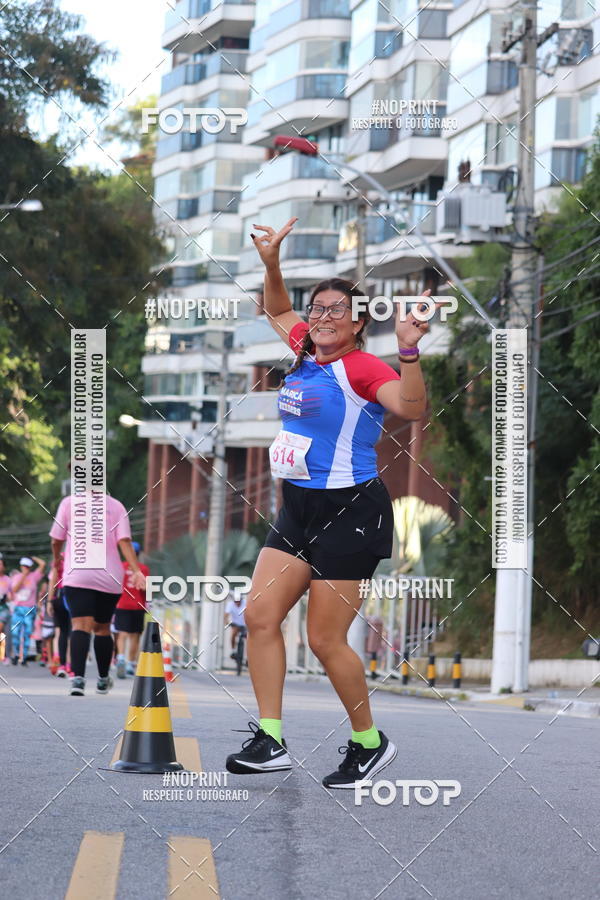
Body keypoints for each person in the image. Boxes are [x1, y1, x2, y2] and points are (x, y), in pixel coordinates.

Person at [225, 217, 435, 788]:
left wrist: (409, 351)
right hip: (298, 508)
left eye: (334, 311)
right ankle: (270, 738)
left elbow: (410, 408)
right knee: (259, 616)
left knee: (323, 638)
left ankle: (369, 742)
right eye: (315, 309)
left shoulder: (364, 367)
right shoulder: (304, 352)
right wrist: (272, 263)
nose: (320, 317)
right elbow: (276, 310)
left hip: (352, 511)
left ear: (358, 322)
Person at [49, 492, 146, 696]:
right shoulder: (117, 505)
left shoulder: (68, 503)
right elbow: (125, 541)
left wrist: (57, 559)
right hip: (109, 575)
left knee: (80, 626)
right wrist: (136, 570)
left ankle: (78, 680)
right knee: (103, 628)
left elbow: (56, 539)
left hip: (78, 574)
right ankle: (102, 680)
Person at [114, 541, 150, 678]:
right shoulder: (143, 569)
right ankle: (130, 663)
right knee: (135, 635)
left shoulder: (121, 567)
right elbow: (146, 588)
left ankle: (121, 658)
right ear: (139, 553)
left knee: (121, 634)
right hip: (138, 605)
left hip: (121, 603)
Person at [10, 556, 46, 665]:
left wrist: (33, 558)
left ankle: (24, 657)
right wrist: (23, 576)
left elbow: (43, 564)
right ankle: (16, 654)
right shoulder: (17, 577)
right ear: (21, 566)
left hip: (30, 609)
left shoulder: (34, 576)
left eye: (28, 566)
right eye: (24, 566)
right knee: (15, 632)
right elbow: (15, 590)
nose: (26, 568)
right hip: (18, 608)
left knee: (27, 633)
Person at [48, 552, 72, 678]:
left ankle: (69, 664)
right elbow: (53, 580)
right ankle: (63, 664)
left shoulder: (83, 556)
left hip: (76, 594)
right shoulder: (61, 556)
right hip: (61, 596)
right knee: (64, 631)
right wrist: (49, 601)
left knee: (72, 632)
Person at [225, 589, 247, 660]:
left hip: (245, 624)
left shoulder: (245, 603)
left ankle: (247, 657)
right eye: (236, 601)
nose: (237, 603)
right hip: (235, 624)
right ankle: (233, 651)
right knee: (233, 633)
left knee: (249, 638)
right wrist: (228, 623)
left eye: (239, 601)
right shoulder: (230, 604)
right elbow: (226, 616)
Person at [0, 553, 11, 665]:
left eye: (1, 564)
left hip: (3, 608)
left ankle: (5, 655)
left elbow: (12, 595)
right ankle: (4, 655)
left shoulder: (7, 579)